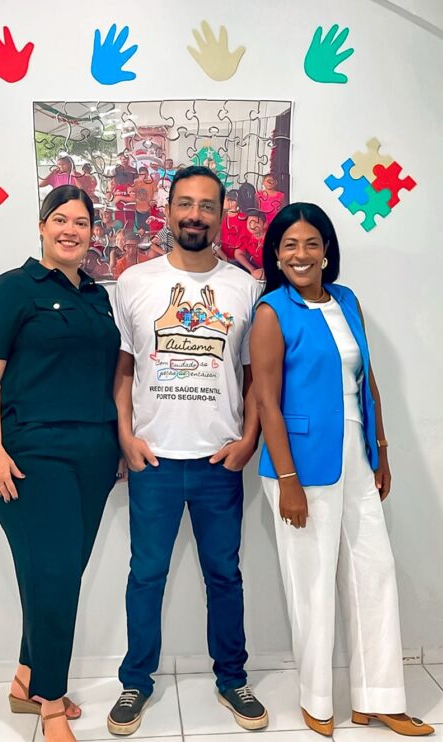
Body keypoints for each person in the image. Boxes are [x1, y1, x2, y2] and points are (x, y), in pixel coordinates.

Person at [249, 202, 434, 737]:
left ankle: (380, 698)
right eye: (290, 245)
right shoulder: (272, 312)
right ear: (276, 255)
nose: (301, 254)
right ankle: (316, 700)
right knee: (311, 584)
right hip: (300, 468)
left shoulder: (347, 300)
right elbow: (266, 402)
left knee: (374, 572)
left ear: (326, 250)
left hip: (356, 458)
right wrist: (288, 481)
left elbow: (366, 379)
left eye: (311, 243)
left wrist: (381, 449)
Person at [108, 165, 268, 735]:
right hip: (152, 460)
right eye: (185, 204)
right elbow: (123, 370)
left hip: (217, 462)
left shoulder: (246, 289)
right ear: (168, 210)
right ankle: (136, 681)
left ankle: (233, 678)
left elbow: (254, 377)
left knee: (224, 575)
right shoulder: (133, 282)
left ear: (221, 215)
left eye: (206, 205)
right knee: (145, 575)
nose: (195, 214)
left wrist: (248, 440)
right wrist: (125, 435)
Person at [0, 185, 121, 742]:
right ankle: (50, 702)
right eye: (60, 219)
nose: (70, 230)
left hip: (94, 457)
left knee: (56, 575)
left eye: (81, 222)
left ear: (92, 232)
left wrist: (116, 443)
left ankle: (27, 676)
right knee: (53, 577)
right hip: (31, 455)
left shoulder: (98, 298)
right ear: (41, 225)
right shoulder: (13, 289)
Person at [234, 209, 266, 280]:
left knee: (257, 275)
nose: (252, 226)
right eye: (250, 223)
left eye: (256, 223)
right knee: (233, 265)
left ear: (264, 224)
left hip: (272, 268)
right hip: (255, 266)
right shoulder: (246, 235)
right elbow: (238, 254)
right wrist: (252, 269)